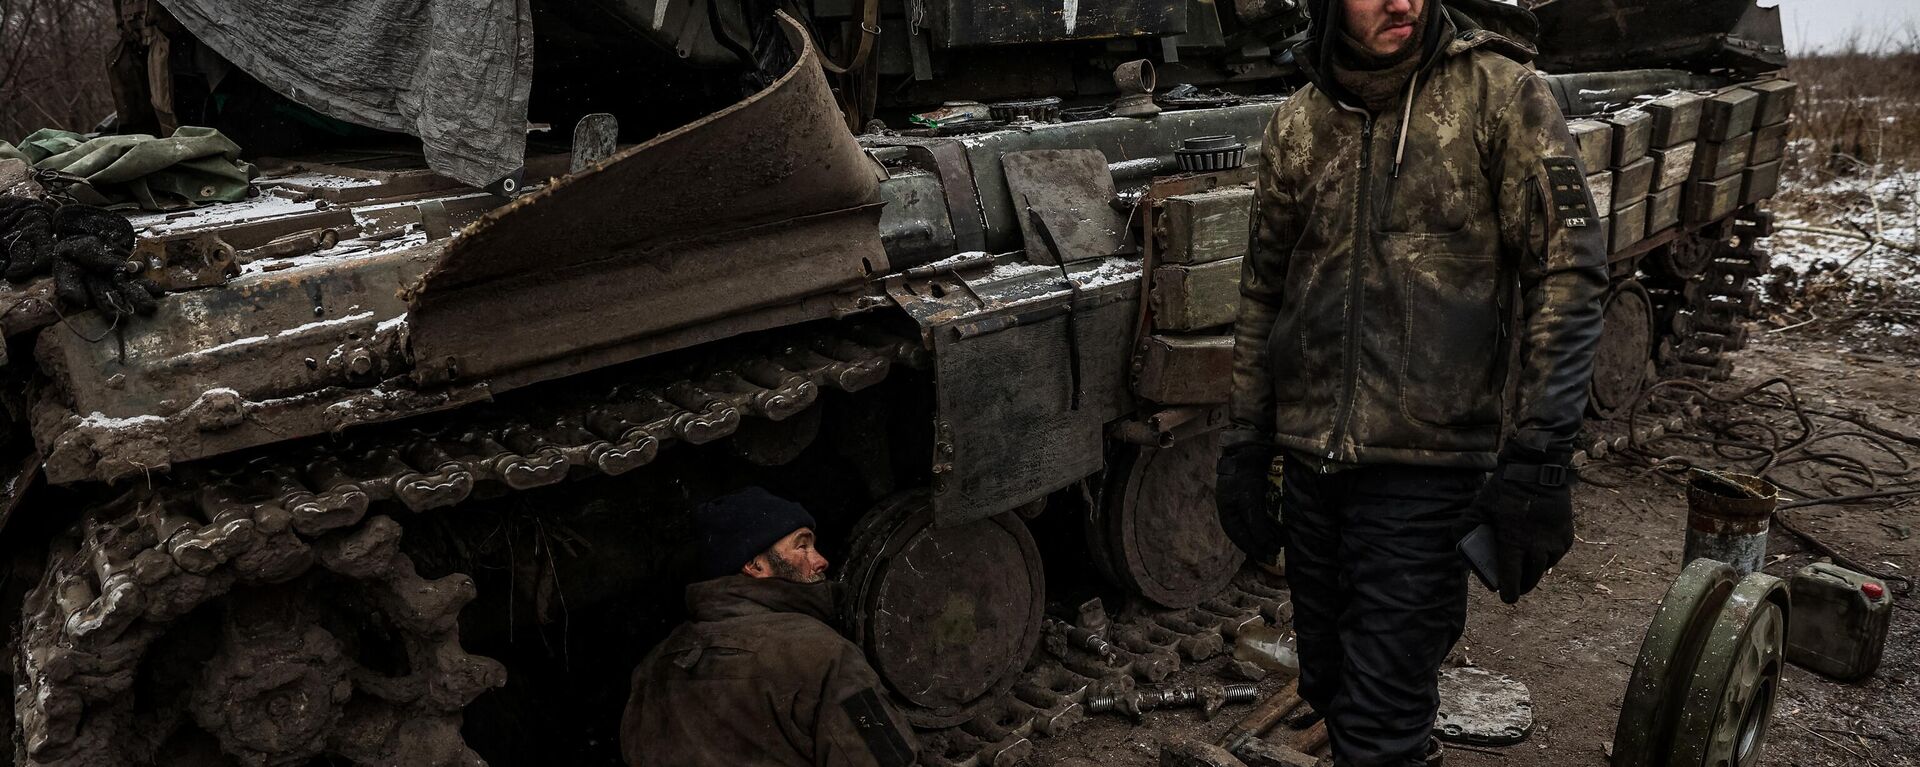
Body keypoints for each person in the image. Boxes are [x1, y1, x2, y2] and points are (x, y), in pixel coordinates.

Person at [1214, 0, 1607, 764]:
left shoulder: (1500, 94)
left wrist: (1541, 454)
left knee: (1380, 723)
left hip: (1427, 468)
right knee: (1330, 684)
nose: (1404, 1)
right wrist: (1243, 440)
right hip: (1312, 463)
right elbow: (1264, 292)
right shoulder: (1299, 122)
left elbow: (1566, 272)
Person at [620, 487, 918, 766]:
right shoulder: (822, 654)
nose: (821, 560)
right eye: (802, 546)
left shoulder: (652, 668)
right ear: (755, 565)